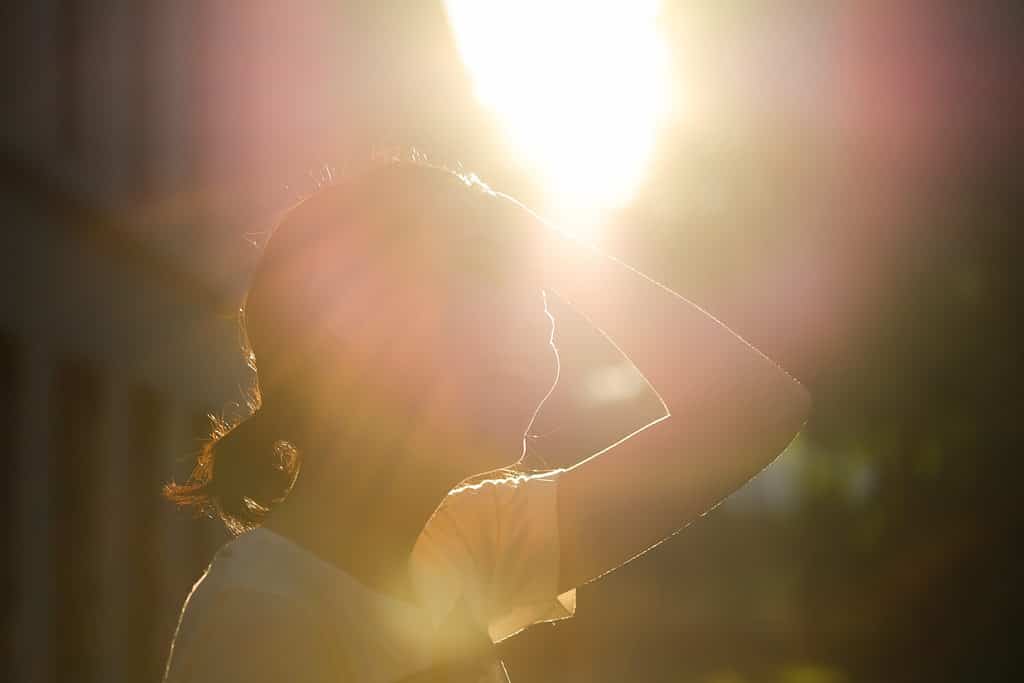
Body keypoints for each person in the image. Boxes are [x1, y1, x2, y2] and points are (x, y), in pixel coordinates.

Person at [162, 160, 811, 683]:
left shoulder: (461, 542)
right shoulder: (260, 613)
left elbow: (757, 408)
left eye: (527, 290)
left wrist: (539, 237)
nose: (534, 329)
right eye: (477, 278)